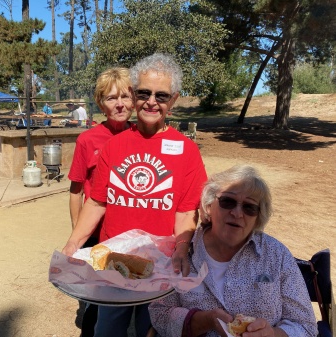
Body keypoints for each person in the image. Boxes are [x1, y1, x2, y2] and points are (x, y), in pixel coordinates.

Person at [62, 53, 207, 337]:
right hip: (115, 261)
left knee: (151, 330)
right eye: (144, 93)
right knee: (107, 330)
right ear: (133, 93)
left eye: (161, 95)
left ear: (173, 100)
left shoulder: (187, 151)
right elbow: (96, 201)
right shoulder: (114, 147)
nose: (152, 101)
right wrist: (73, 243)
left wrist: (180, 250)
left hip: (161, 264)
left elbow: (186, 211)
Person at [148, 165, 318, 337]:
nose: (237, 213)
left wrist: (273, 334)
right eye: (227, 202)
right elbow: (160, 316)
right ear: (208, 206)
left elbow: (305, 326)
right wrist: (205, 320)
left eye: (249, 207)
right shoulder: (182, 254)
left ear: (258, 217)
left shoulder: (276, 255)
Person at [68, 67, 134, 337]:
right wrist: (77, 234)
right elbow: (75, 190)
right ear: (100, 103)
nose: (119, 104)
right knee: (98, 299)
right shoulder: (88, 139)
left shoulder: (142, 136)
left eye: (125, 96)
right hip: (97, 232)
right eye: (111, 98)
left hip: (130, 231)